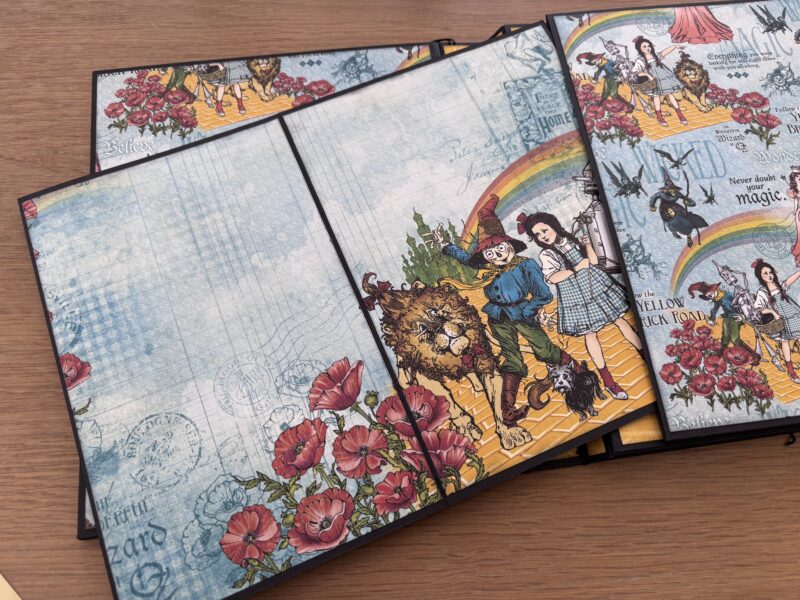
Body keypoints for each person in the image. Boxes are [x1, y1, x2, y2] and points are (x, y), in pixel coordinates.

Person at [432, 195, 579, 427]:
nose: (498, 255)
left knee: (544, 349)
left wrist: (529, 311)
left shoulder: (525, 265)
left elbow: (544, 295)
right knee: (511, 358)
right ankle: (508, 409)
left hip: (523, 313)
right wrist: (445, 246)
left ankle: (578, 371)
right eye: (490, 253)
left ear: (510, 245)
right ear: (484, 256)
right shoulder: (486, 267)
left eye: (500, 248)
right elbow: (465, 258)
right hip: (498, 317)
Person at [517, 212, 641, 400]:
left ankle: (644, 354)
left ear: (553, 225)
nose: (543, 236)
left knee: (620, 320)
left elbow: (592, 261)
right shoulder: (547, 254)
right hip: (575, 296)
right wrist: (575, 269)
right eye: (538, 235)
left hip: (595, 286)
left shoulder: (570, 241)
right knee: (590, 334)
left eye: (544, 230)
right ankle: (609, 382)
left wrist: (588, 245)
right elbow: (552, 277)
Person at [688, 281, 760, 363]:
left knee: (735, 339)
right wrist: (712, 319)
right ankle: (719, 357)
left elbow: (740, 304)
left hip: (736, 317)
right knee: (725, 339)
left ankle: (753, 356)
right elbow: (715, 309)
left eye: (710, 293)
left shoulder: (728, 295)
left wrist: (742, 316)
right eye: (708, 296)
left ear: (715, 289)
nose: (710, 296)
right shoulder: (717, 299)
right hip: (727, 317)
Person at [753, 258, 800, 383]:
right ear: (760, 277)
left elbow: (789, 281)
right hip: (781, 318)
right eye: (765, 273)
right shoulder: (762, 292)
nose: (769, 275)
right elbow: (759, 308)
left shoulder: (779, 285)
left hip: (793, 313)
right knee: (785, 342)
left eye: (770, 272)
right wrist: (773, 312)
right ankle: (791, 371)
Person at [632, 36, 687, 127]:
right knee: (656, 97)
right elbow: (635, 72)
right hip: (654, 80)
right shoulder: (640, 60)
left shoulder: (655, 56)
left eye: (648, 46)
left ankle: (680, 115)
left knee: (670, 94)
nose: (647, 48)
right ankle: (660, 117)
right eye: (644, 47)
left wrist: (674, 46)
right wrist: (647, 75)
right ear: (639, 49)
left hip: (664, 77)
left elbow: (665, 52)